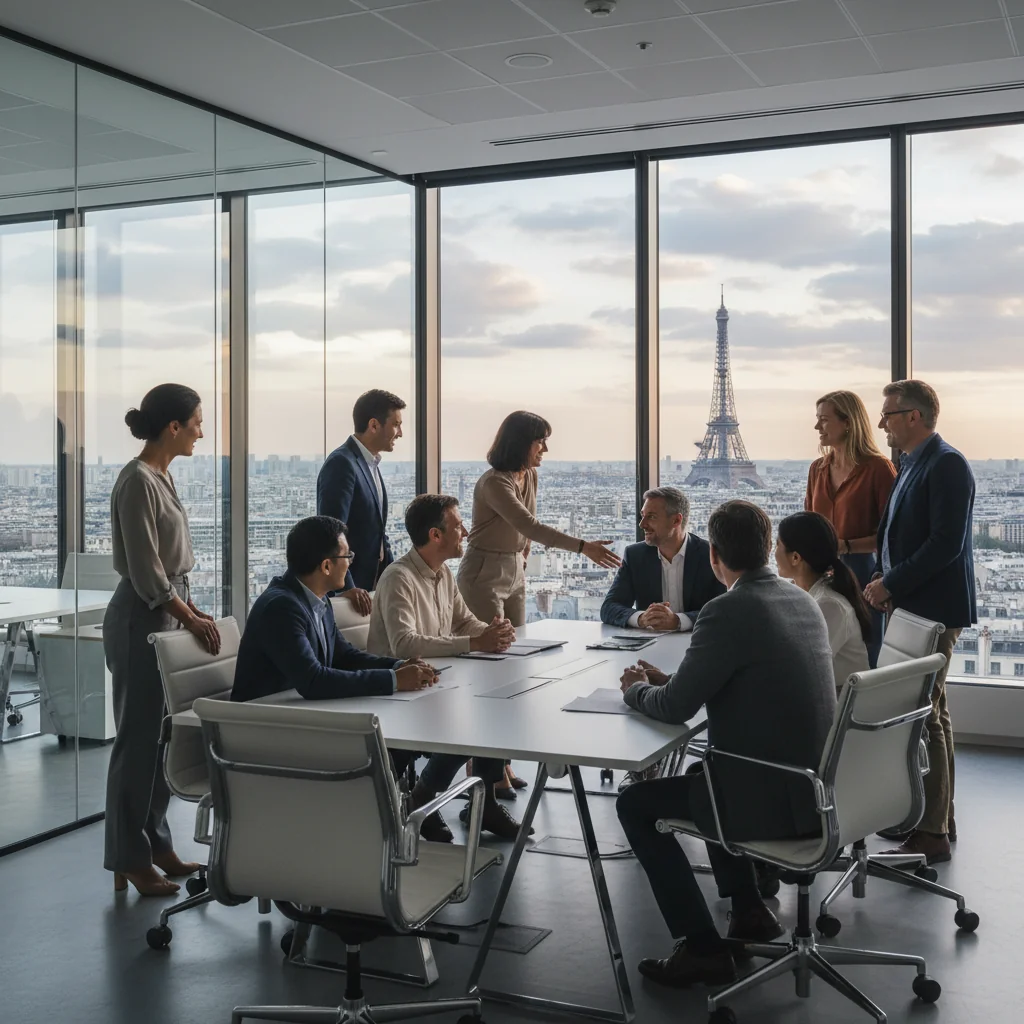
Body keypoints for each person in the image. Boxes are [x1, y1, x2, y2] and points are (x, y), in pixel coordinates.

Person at [616, 500, 836, 989]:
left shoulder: (726, 609)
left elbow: (675, 709)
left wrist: (636, 690)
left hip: (768, 798)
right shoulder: (801, 599)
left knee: (635, 803)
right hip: (815, 790)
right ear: (768, 548)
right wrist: (670, 681)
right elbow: (741, 679)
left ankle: (700, 947)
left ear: (713, 554)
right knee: (703, 777)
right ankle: (749, 909)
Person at [458, 410, 621, 795]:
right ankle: (485, 769)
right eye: (540, 441)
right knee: (491, 670)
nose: (545, 448)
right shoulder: (494, 482)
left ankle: (501, 764)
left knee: (513, 668)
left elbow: (528, 526)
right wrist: (583, 548)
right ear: (521, 443)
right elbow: (527, 524)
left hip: (514, 569)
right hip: (484, 573)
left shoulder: (527, 476)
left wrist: (524, 559)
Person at [103, 384, 222, 897]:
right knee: (136, 741)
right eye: (197, 420)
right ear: (173, 426)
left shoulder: (160, 477)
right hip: (141, 621)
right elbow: (150, 576)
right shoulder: (136, 482)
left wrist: (192, 613)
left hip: (165, 615)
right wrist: (189, 618)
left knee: (162, 740)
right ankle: (128, 857)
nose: (202, 429)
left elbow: (167, 574)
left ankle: (155, 843)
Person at [368, 494, 529, 842]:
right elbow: (405, 645)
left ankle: (475, 804)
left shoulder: (443, 574)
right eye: (457, 526)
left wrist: (490, 632)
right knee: (469, 723)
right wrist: (475, 643)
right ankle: (423, 800)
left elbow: (464, 622)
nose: (466, 532)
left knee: (492, 709)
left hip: (435, 685)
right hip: (401, 694)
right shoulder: (399, 578)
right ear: (435, 535)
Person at [867, 380, 976, 865]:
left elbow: (945, 544)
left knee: (924, 714)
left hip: (931, 609)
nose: (882, 423)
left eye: (888, 414)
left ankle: (932, 832)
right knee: (936, 712)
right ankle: (939, 816)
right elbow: (896, 535)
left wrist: (891, 584)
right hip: (916, 606)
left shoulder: (947, 463)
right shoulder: (914, 464)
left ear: (915, 416)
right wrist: (883, 576)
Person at [231, 516, 436, 704]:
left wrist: (398, 666)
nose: (349, 563)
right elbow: (313, 681)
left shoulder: (317, 598)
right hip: (260, 722)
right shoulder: (280, 608)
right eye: (347, 556)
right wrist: (393, 680)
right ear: (326, 566)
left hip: (296, 712)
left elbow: (344, 657)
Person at [601, 485, 725, 790]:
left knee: (649, 685)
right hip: (653, 650)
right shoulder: (635, 554)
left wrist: (678, 621)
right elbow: (609, 607)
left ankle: (651, 766)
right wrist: (639, 617)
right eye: (643, 516)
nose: (643, 524)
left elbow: (723, 609)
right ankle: (646, 765)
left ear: (676, 520)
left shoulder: (709, 554)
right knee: (642, 678)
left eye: (651, 517)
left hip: (697, 649)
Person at [805, 389, 896, 667]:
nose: (817, 426)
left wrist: (846, 546)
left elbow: (892, 535)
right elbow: (807, 524)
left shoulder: (879, 469)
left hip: (863, 575)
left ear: (848, 422)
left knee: (866, 652)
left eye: (824, 419)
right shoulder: (817, 469)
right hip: (822, 575)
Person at [316, 389, 407, 617]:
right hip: (352, 594)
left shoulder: (369, 464)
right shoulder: (342, 464)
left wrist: (397, 576)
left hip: (372, 587)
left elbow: (377, 533)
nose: (400, 433)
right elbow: (332, 531)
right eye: (396, 424)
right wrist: (347, 587)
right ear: (374, 425)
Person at [775, 511, 871, 689]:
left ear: (796, 557)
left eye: (777, 545)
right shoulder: (814, 595)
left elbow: (804, 668)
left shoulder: (829, 605)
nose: (773, 552)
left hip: (839, 705)